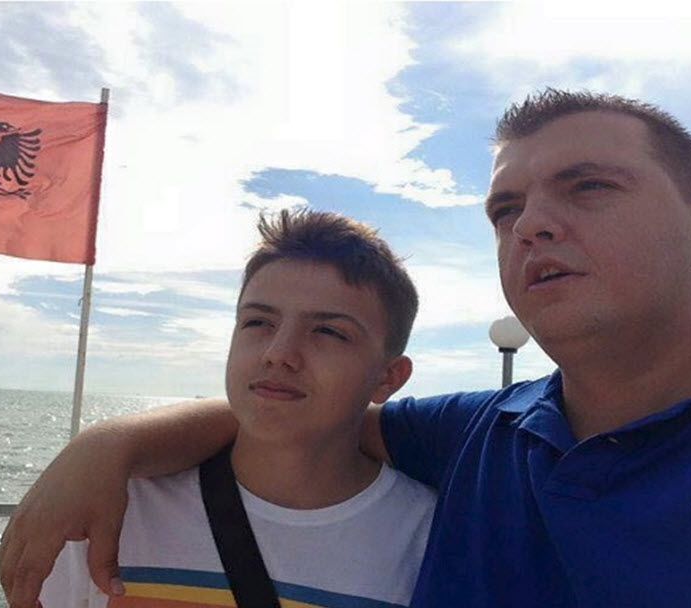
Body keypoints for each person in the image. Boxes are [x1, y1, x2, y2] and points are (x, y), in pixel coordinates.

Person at [0, 89, 691, 608]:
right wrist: (108, 446)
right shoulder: (481, 436)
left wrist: (106, 446)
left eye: (587, 186)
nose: (530, 225)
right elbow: (304, 416)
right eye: (505, 210)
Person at [37, 209, 436, 608]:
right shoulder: (118, 507)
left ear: (388, 377)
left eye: (328, 331)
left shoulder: (428, 538)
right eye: (258, 322)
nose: (278, 353)